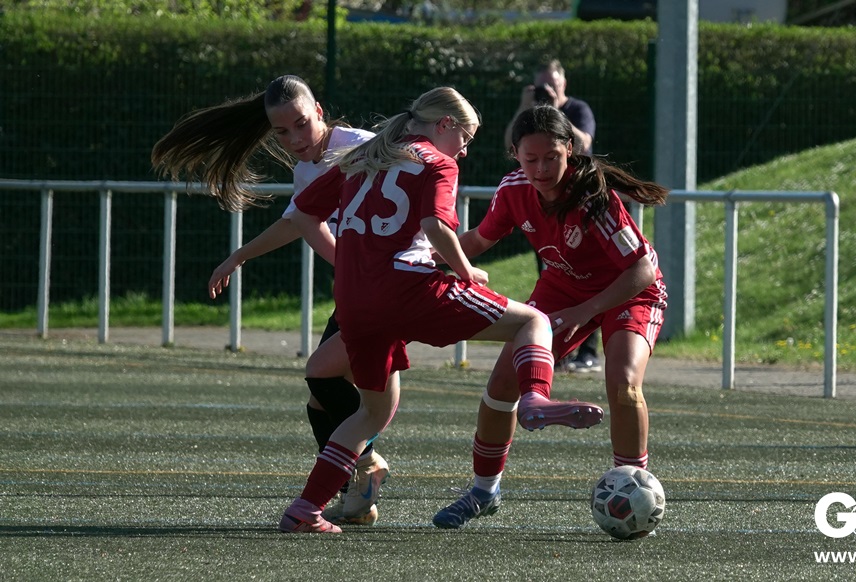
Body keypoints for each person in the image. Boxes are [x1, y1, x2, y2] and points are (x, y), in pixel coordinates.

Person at [283, 87, 605, 534]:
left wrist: (350, 262)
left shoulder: (365, 156)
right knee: (533, 321)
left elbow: (301, 215)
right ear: (445, 125)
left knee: (369, 412)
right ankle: (534, 397)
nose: (465, 150)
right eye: (465, 138)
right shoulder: (437, 161)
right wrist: (465, 270)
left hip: (355, 299)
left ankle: (306, 508)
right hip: (408, 288)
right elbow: (435, 225)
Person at [150, 75, 390, 526]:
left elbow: (416, 179)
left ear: (319, 111)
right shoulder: (306, 170)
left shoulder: (362, 148)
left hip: (388, 288)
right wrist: (239, 256)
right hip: (360, 291)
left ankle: (367, 463)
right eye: (282, 132)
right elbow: (296, 222)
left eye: (301, 124)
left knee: (323, 378)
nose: (295, 139)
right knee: (320, 402)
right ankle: (358, 497)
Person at [433, 105, 669, 529]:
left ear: (570, 150)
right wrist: (425, 259)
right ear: (515, 155)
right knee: (502, 384)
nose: (541, 169)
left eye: (551, 158)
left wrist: (586, 310)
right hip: (563, 287)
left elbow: (643, 269)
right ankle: (484, 492)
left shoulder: (592, 197)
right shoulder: (513, 189)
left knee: (623, 382)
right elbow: (480, 239)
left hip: (629, 292)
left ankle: (634, 488)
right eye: (531, 159)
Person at [503, 58, 602, 374]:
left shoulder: (578, 109)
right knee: (552, 276)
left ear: (564, 83)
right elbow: (510, 144)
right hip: (543, 208)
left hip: (576, 203)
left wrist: (555, 113)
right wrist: (525, 107)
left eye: (553, 83)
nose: (547, 89)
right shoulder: (529, 115)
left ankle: (588, 351)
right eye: (542, 85)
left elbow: (584, 143)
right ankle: (555, 349)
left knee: (588, 274)